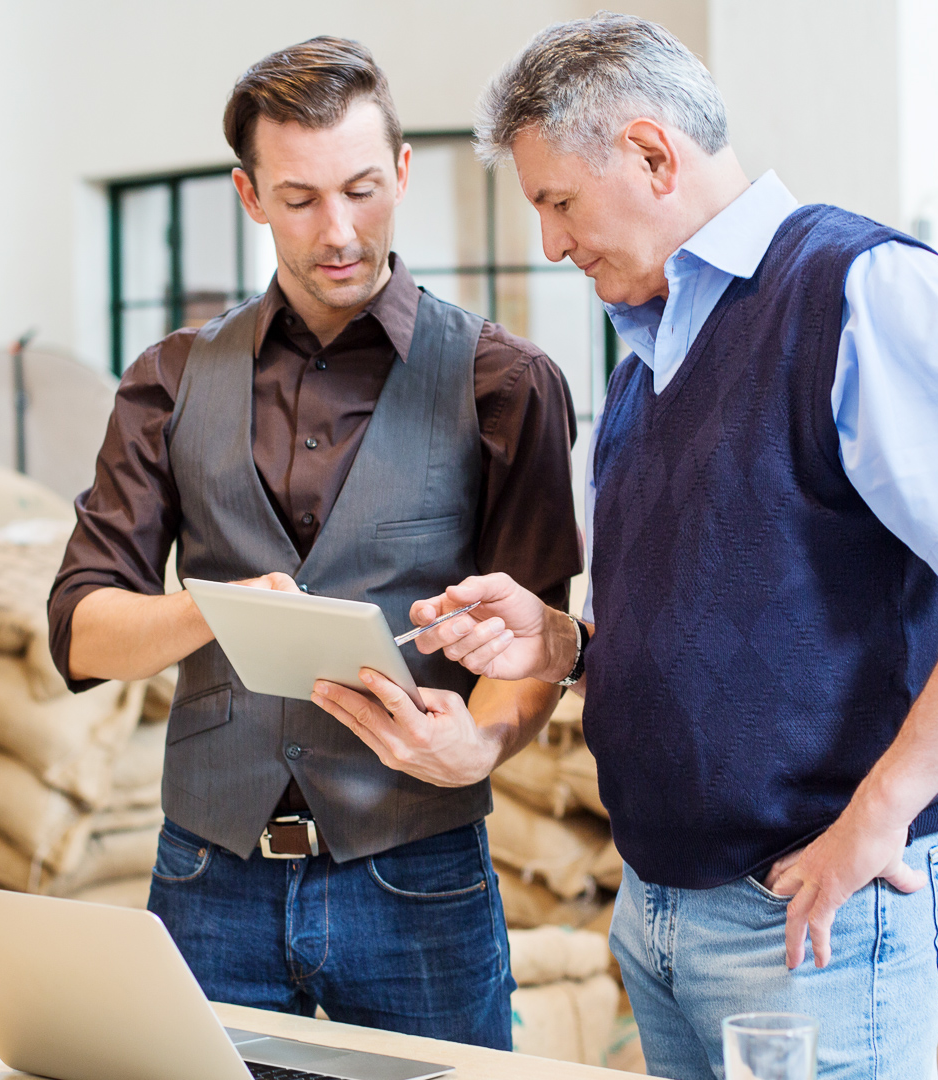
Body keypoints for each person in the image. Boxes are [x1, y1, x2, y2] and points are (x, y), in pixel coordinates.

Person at [308, 14, 938, 1078]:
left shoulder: (853, 288)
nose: (551, 241)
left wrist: (881, 817)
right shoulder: (649, 351)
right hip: (663, 913)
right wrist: (565, 642)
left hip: (814, 911)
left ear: (650, 153)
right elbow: (745, 606)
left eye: (558, 202)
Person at [46, 36, 584, 1048]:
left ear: (405, 174)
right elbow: (80, 632)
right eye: (299, 199)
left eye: (363, 190)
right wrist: (215, 606)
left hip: (415, 874)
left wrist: (482, 743)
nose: (339, 230)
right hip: (208, 876)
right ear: (251, 195)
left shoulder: (507, 383)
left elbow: (537, 642)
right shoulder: (167, 379)